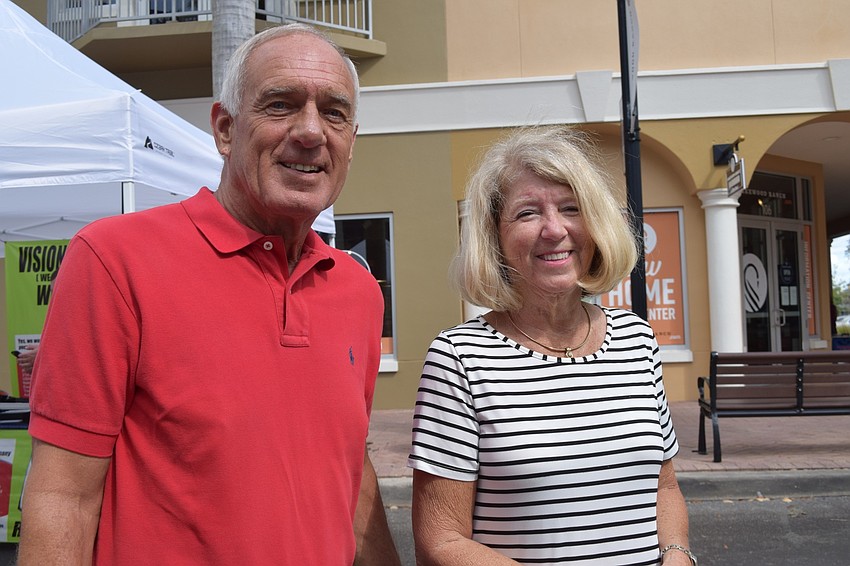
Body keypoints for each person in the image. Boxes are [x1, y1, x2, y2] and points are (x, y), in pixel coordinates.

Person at [19, 24, 400, 566]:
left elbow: (349, 466)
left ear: (351, 143)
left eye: (334, 112)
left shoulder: (358, 289)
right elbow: (64, 498)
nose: (311, 131)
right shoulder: (114, 261)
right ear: (224, 129)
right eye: (281, 104)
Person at [408, 126, 694, 565]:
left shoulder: (637, 339)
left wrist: (677, 554)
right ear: (494, 237)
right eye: (527, 213)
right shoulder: (460, 358)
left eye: (571, 208)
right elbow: (440, 540)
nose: (554, 229)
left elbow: (663, 485)